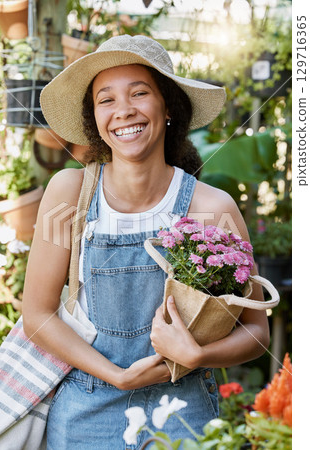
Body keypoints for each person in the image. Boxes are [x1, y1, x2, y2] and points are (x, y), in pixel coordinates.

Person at [22, 34, 269, 449]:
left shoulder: (210, 206)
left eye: (140, 93)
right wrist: (116, 376)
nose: (124, 111)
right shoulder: (69, 193)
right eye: (107, 100)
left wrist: (200, 357)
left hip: (183, 409)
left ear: (168, 105)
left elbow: (257, 330)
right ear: (94, 118)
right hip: (86, 412)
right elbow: (38, 316)